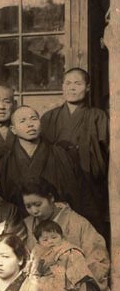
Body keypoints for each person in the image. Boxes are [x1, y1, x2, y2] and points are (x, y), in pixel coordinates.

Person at [40, 68, 108, 233]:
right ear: (62, 87)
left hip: (89, 183)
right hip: (58, 185)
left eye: (78, 83)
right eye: (68, 83)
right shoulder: (49, 117)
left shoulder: (98, 116)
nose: (72, 88)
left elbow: (106, 153)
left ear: (88, 88)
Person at [0, 105, 86, 219]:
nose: (30, 124)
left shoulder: (61, 155)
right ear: (13, 129)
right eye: (23, 121)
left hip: (59, 222)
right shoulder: (4, 164)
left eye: (34, 119)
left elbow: (78, 195)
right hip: (20, 225)